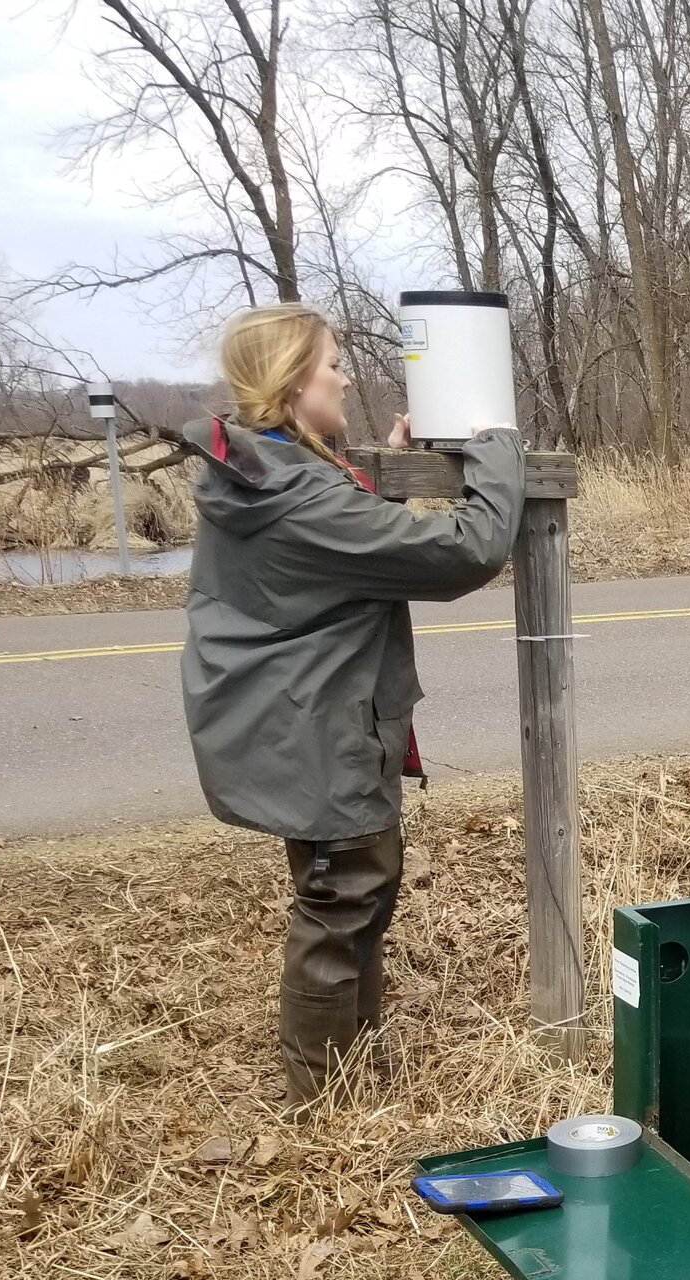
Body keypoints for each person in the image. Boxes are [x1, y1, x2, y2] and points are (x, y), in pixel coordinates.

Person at [181, 304, 525, 1106]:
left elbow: (336, 525)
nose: (344, 375)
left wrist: (372, 476)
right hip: (311, 723)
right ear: (292, 379)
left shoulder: (265, 468)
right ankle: (324, 1095)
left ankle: (350, 1064)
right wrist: (496, 451)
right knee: (344, 893)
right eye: (331, 363)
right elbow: (464, 551)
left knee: (354, 880)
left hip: (290, 715)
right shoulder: (298, 497)